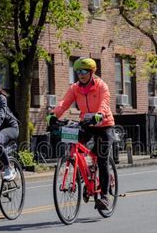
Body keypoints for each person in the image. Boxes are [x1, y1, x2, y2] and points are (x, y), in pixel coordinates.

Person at [46, 57, 115, 210]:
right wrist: (54, 115)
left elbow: (105, 102)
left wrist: (100, 114)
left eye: (84, 71)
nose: (81, 75)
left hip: (104, 124)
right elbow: (64, 103)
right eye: (78, 72)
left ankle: (104, 196)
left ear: (92, 72)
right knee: (73, 142)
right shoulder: (75, 88)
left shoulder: (101, 86)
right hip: (87, 123)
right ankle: (85, 173)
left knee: (102, 158)